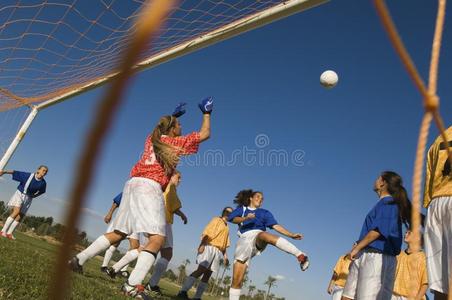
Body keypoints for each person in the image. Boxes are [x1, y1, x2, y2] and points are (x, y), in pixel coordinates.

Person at [69, 99, 212, 299]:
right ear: (171, 130)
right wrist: (207, 113)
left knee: (119, 232)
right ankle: (132, 285)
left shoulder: (151, 139)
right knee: (157, 239)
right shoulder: (175, 142)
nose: (181, 127)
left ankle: (78, 259)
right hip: (149, 186)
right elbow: (205, 134)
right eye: (179, 125)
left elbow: (160, 128)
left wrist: (174, 116)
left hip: (132, 184)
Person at [227, 189, 309, 300]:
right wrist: (246, 218)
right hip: (244, 239)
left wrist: (291, 235)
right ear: (250, 198)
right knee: (237, 280)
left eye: (262, 199)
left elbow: (275, 226)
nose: (260, 199)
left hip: (258, 237)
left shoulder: (264, 213)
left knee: (264, 235)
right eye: (257, 196)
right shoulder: (242, 209)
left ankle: (300, 255)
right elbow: (232, 219)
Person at [341, 171, 411, 300]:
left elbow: (378, 231)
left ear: (382, 183)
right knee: (346, 296)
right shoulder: (382, 204)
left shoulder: (390, 204)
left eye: (378, 178)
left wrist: (357, 248)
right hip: (366, 253)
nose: (375, 180)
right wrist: (358, 246)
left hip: (378, 257)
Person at [177, 207, 233, 300]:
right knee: (200, 270)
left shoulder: (227, 227)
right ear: (223, 212)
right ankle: (183, 291)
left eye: (231, 213)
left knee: (208, 275)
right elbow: (207, 233)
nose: (228, 213)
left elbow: (224, 244)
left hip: (218, 251)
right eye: (227, 211)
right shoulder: (216, 220)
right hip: (209, 246)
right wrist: (202, 245)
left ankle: (197, 297)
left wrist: (225, 257)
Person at [423, 126, 452, 300]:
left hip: (436, 204)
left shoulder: (439, 138)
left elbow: (429, 175)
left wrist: (429, 204)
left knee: (440, 281)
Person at [0, 165, 48, 239]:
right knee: (16, 211)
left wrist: (34, 196)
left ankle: (9, 233)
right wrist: (4, 172)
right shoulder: (28, 176)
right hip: (20, 193)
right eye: (43, 170)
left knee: (20, 215)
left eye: (46, 171)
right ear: (38, 170)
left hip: (29, 198)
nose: (44, 172)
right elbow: (15, 172)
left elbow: (42, 191)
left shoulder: (43, 183)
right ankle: (3, 231)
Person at [100, 192, 139, 277]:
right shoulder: (133, 186)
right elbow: (117, 201)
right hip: (123, 219)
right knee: (115, 242)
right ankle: (104, 266)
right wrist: (109, 213)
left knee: (135, 246)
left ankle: (122, 270)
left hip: (135, 223)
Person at [391, 230, 428, 300]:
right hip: (393, 295)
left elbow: (425, 283)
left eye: (409, 233)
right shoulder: (398, 255)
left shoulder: (422, 258)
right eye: (405, 232)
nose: (405, 234)